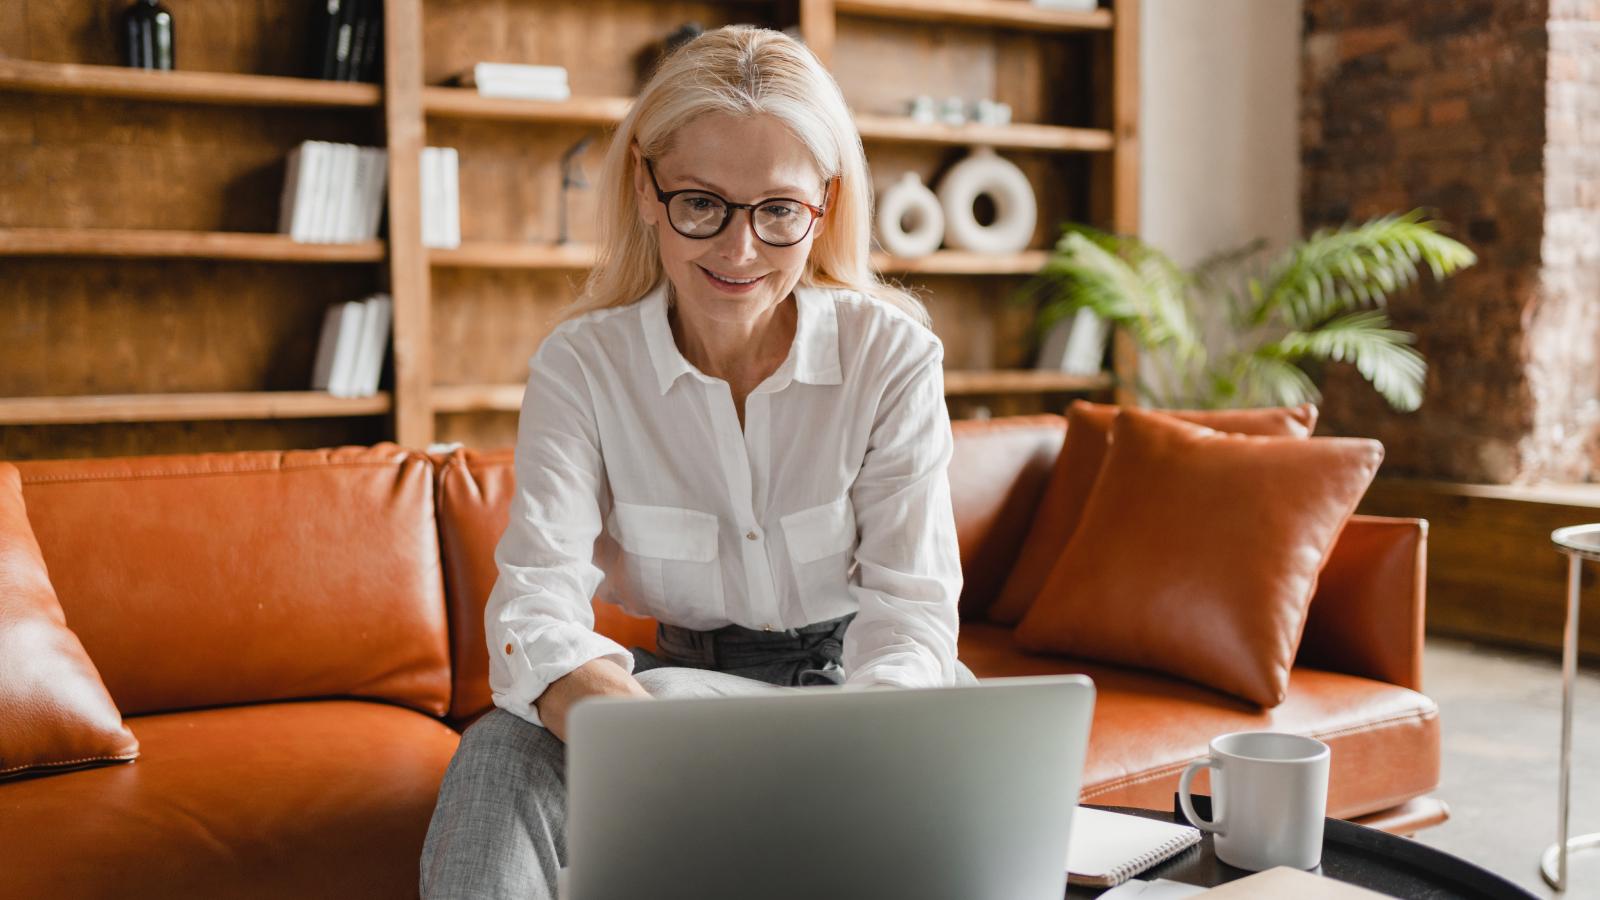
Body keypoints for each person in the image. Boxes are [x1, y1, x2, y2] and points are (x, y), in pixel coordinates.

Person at [419, 24, 975, 899]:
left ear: (825, 204)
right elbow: (534, 606)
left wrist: (863, 754)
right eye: (702, 204)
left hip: (861, 690)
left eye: (778, 210)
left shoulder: (891, 357)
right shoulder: (583, 367)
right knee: (499, 752)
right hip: (668, 690)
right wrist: (648, 739)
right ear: (646, 188)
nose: (738, 250)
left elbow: (911, 620)